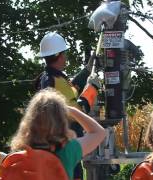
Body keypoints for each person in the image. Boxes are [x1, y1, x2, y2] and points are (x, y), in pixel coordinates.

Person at [35, 31, 100, 179]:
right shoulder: (55, 80)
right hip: (65, 143)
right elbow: (77, 111)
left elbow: (71, 89)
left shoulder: (47, 78)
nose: (65, 57)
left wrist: (87, 71)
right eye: (64, 53)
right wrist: (92, 89)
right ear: (58, 55)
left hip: (52, 143)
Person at [10, 89, 105, 180]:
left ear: (30, 121)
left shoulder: (20, 152)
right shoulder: (68, 150)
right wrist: (71, 110)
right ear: (62, 121)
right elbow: (98, 132)